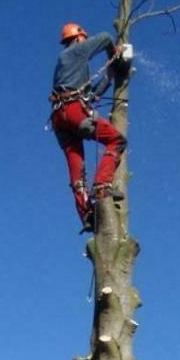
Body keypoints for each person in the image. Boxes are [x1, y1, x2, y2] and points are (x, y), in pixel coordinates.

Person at [50, 22, 127, 232]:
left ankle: (87, 215)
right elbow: (104, 36)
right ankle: (102, 185)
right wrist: (115, 51)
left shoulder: (67, 69)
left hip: (60, 117)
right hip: (74, 111)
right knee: (116, 140)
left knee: (77, 170)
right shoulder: (76, 51)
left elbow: (92, 94)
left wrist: (111, 74)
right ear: (77, 38)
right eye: (83, 38)